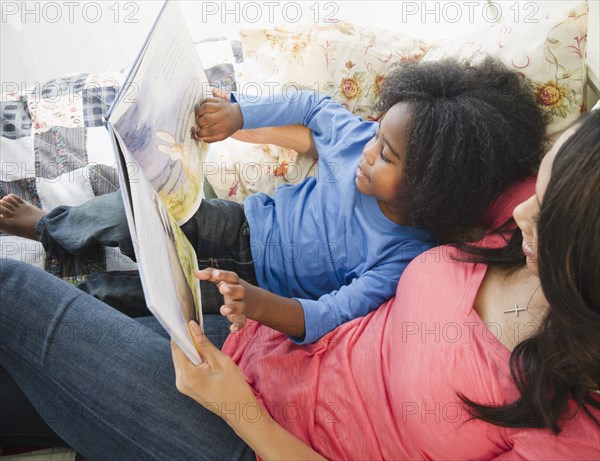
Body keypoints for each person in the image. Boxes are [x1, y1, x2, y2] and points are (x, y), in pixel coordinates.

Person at [1, 115, 598, 458]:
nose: (523, 213)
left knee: (14, 293)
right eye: (537, 191)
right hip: (259, 350)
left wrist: (238, 409)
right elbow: (441, 150)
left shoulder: (572, 429)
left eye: (547, 217)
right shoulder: (518, 218)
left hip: (252, 438)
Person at [0, 58, 545, 344]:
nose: (367, 150)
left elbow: (330, 313)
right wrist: (239, 114)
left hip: (251, 289)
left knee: (143, 300)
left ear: (433, 189)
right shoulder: (357, 141)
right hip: (236, 225)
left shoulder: (403, 257)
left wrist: (253, 305)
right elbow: (311, 108)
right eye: (377, 133)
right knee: (133, 208)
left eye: (387, 156)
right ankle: (51, 227)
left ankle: (74, 292)